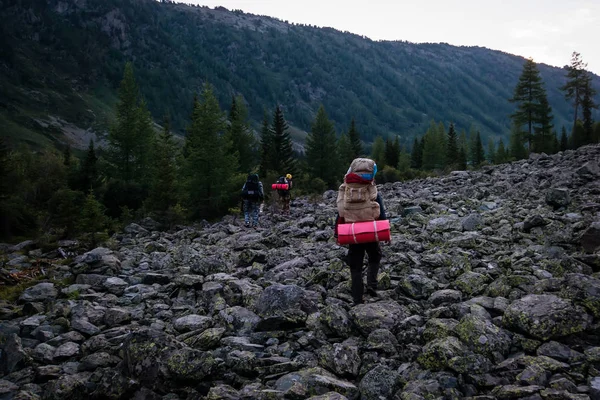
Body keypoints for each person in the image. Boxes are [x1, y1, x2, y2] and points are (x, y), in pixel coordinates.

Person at [335, 158, 386, 305]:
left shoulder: (346, 189)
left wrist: (337, 233)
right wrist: (384, 230)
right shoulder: (371, 189)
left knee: (355, 264)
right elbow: (381, 212)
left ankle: (357, 298)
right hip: (370, 230)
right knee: (375, 255)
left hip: (352, 232)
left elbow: (340, 213)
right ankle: (372, 286)